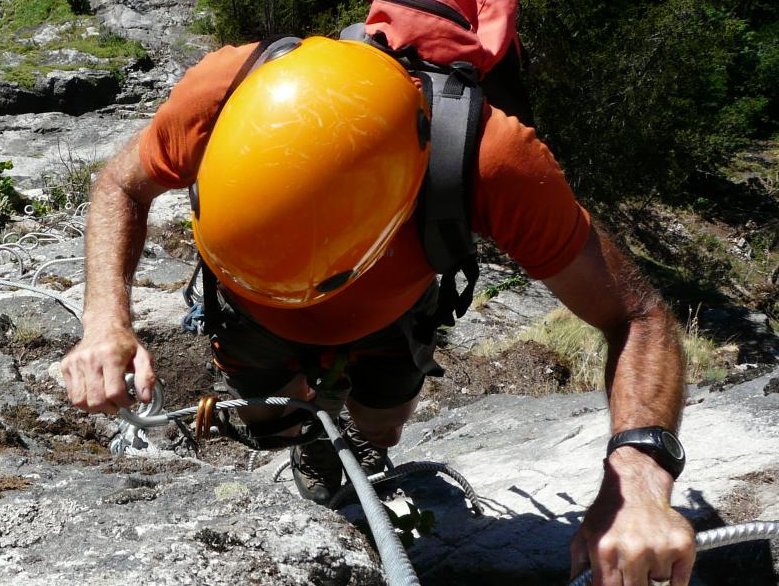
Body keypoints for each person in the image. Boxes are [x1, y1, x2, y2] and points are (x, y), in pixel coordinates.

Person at [60, 33, 697, 586]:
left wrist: (637, 486)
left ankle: (356, 447)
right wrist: (105, 321)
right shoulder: (218, 94)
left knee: (381, 427)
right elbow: (122, 182)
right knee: (271, 418)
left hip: (393, 313)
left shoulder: (490, 161)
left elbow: (635, 315)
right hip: (247, 311)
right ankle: (307, 443)